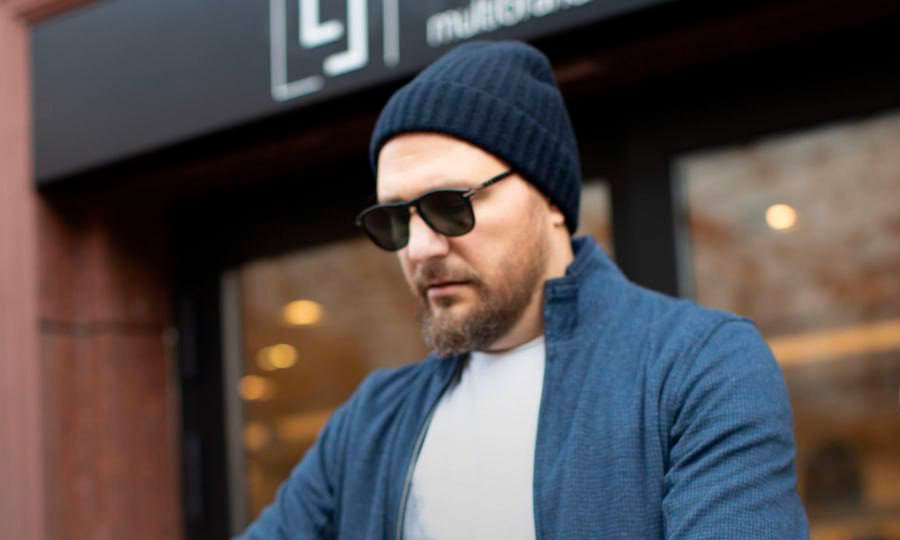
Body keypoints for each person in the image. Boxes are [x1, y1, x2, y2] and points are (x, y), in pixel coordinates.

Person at [236, 40, 808, 539]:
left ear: (550, 200)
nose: (420, 248)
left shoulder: (693, 368)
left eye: (450, 205)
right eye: (395, 220)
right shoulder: (372, 421)